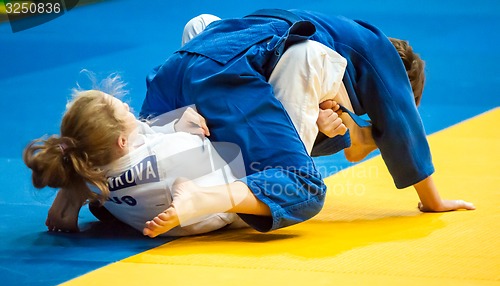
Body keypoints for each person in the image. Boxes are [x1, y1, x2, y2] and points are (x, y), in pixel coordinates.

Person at [139, 9, 474, 237]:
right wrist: (433, 202)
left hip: (183, 71)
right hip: (234, 79)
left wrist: (334, 126)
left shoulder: (325, 30)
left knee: (203, 24)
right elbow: (404, 128)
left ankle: (101, 181)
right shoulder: (374, 53)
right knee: (302, 184)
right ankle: (233, 198)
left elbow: (345, 146)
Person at [23, 85, 259, 237]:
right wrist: (184, 129)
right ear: (122, 142)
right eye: (123, 110)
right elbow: (210, 150)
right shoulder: (170, 151)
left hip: (166, 221)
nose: (127, 106)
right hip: (225, 211)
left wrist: (70, 192)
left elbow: (143, 136)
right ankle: (193, 196)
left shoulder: (90, 174)